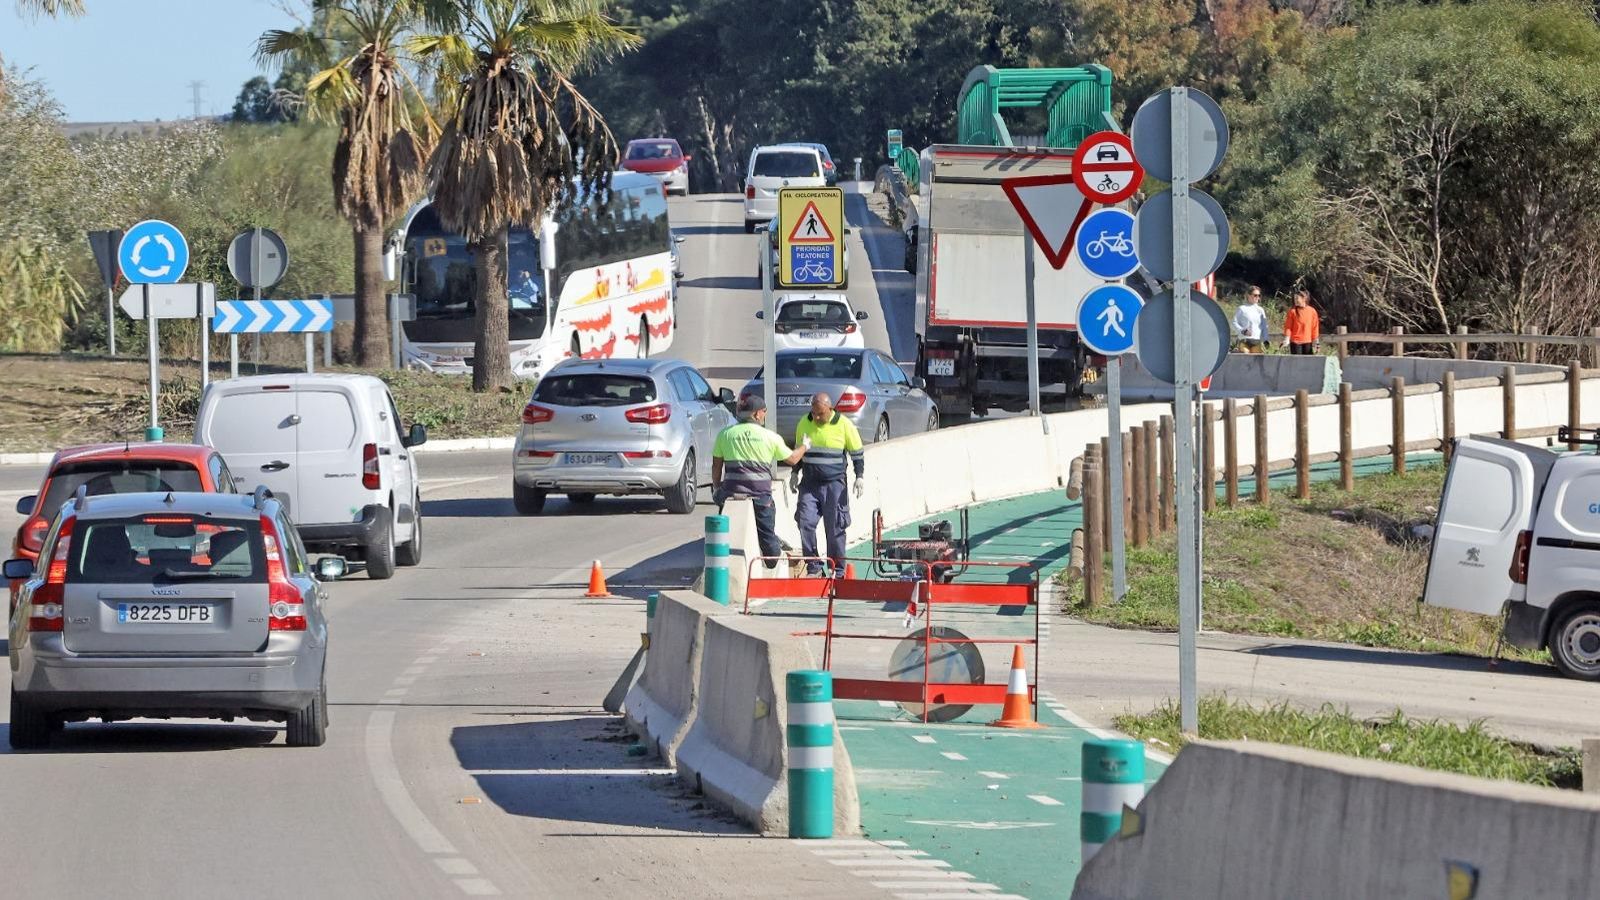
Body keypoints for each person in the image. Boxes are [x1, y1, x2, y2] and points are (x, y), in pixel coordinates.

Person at [712, 395, 808, 568]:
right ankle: (772, 561)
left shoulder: (725, 434)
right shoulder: (769, 437)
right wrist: (805, 446)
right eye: (764, 412)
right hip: (761, 497)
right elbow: (793, 459)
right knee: (768, 539)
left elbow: (716, 466)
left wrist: (717, 489)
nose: (765, 415)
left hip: (731, 494)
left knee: (724, 536)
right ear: (756, 415)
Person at [791, 392, 865, 576]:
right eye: (814, 413)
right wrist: (794, 473)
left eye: (820, 414)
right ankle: (814, 567)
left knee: (835, 528)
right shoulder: (804, 423)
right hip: (810, 484)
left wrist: (859, 476)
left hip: (835, 485)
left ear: (830, 409)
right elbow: (800, 451)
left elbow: (856, 453)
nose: (816, 417)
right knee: (805, 522)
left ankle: (837, 570)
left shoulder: (844, 425)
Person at [1282, 289, 1321, 355]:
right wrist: (1287, 338)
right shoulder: (1292, 312)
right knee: (1297, 363)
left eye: (1297, 298)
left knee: (1308, 363)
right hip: (1295, 342)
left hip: (1308, 342)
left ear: (1304, 298)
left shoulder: (1312, 311)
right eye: (1294, 298)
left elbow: (1315, 327)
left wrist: (1316, 341)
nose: (1295, 300)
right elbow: (1288, 327)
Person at [1233, 286, 1268, 353]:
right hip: (1245, 340)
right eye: (1255, 295)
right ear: (1248, 295)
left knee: (1256, 361)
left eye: (1259, 295)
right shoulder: (1242, 308)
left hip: (1257, 341)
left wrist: (1266, 339)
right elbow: (1234, 322)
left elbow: (1264, 326)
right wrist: (1242, 330)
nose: (1257, 297)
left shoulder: (1260, 310)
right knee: (1246, 358)